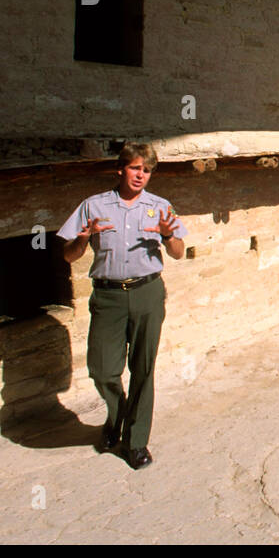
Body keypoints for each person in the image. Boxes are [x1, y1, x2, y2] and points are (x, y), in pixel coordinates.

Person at [57, 143, 188, 470]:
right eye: (135, 168)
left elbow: (178, 252)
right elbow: (67, 255)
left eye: (146, 170)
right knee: (102, 369)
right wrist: (83, 239)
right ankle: (118, 414)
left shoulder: (160, 207)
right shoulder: (93, 206)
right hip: (108, 297)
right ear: (121, 169)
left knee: (143, 370)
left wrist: (169, 236)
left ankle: (136, 442)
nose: (141, 175)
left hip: (147, 293)